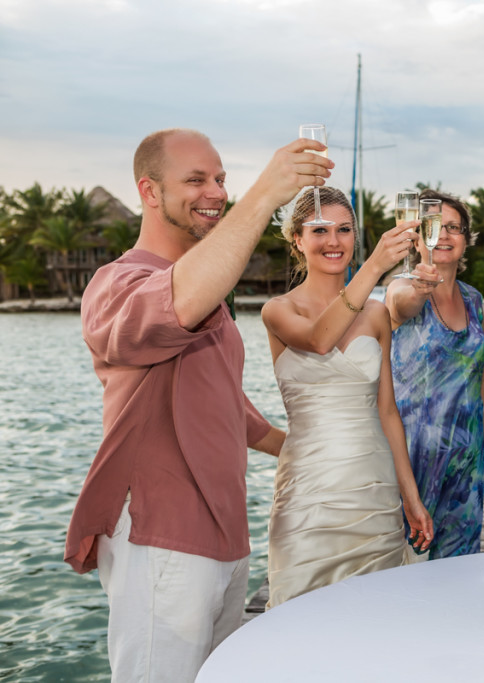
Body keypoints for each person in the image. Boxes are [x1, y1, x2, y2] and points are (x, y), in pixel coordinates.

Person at [64, 128, 330, 681]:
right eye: (195, 179)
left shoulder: (204, 291)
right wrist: (263, 195)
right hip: (162, 537)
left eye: (221, 179)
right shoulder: (119, 284)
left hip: (226, 534)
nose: (215, 191)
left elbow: (223, 401)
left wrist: (298, 449)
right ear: (150, 191)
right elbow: (175, 307)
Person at [261, 187, 434, 605]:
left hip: (372, 490)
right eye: (319, 230)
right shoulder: (279, 310)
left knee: (377, 615)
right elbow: (320, 340)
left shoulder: (376, 315)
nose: (334, 241)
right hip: (309, 490)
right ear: (297, 240)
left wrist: (410, 496)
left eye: (344, 229)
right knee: (301, 616)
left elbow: (387, 411)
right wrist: (374, 266)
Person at [386, 190, 484, 559]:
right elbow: (402, 303)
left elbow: (478, 377)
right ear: (418, 235)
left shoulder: (473, 299)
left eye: (454, 227)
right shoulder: (402, 289)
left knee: (458, 572)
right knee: (409, 571)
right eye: (434, 225)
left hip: (465, 461)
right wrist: (424, 280)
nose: (444, 234)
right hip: (413, 458)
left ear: (466, 240)